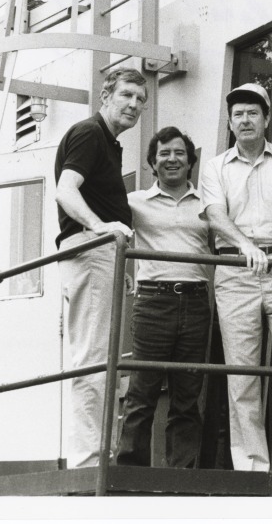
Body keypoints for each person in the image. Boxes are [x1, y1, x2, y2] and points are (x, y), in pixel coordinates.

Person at [199, 82, 272, 478]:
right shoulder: (215, 166)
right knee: (243, 372)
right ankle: (252, 464)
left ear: (266, 119)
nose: (245, 120)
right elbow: (215, 214)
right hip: (236, 271)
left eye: (253, 112)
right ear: (230, 124)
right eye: (238, 115)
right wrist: (243, 244)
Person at [54, 67, 147, 468]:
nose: (134, 104)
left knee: (105, 361)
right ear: (105, 96)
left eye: (141, 100)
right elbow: (65, 189)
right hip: (92, 251)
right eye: (126, 95)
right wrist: (100, 229)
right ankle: (90, 464)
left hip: (103, 256)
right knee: (94, 360)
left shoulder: (109, 142)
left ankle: (99, 459)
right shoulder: (90, 133)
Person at [116, 126, 212, 468]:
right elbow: (111, 234)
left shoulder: (208, 204)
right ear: (153, 164)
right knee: (142, 392)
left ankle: (181, 477)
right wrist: (122, 268)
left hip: (197, 302)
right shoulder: (135, 202)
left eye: (179, 153)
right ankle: (130, 475)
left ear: (190, 161)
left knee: (188, 395)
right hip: (153, 302)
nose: (172, 159)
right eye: (164, 154)